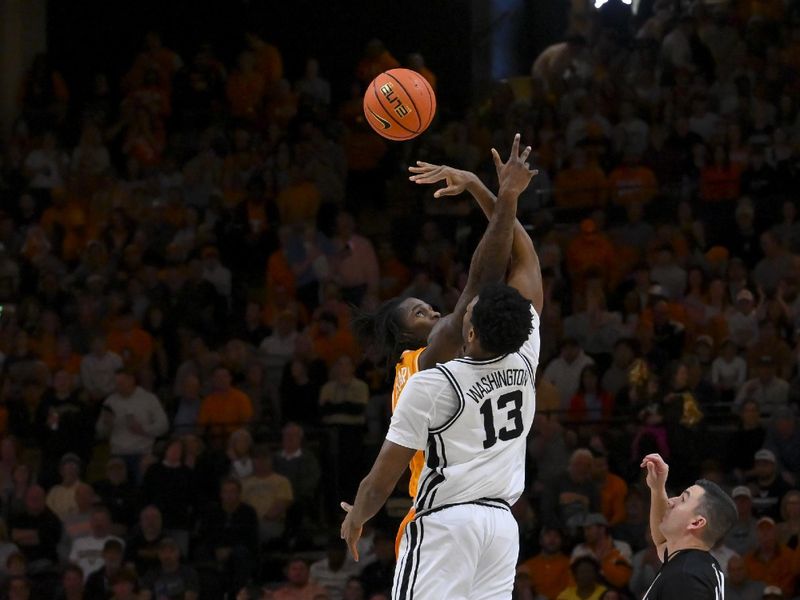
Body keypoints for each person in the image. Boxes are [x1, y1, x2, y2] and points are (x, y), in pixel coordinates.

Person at [341, 143, 540, 597]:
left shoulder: (445, 373)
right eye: (419, 314)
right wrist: (496, 194)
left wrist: (492, 191)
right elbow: (516, 266)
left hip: (450, 520)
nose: (432, 312)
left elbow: (494, 279)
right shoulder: (428, 364)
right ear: (408, 340)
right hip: (497, 527)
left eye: (430, 307)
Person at [639, 453, 737, 598]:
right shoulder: (693, 563)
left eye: (683, 499)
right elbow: (661, 541)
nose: (671, 501)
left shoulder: (686, 576)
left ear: (697, 522)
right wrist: (657, 488)